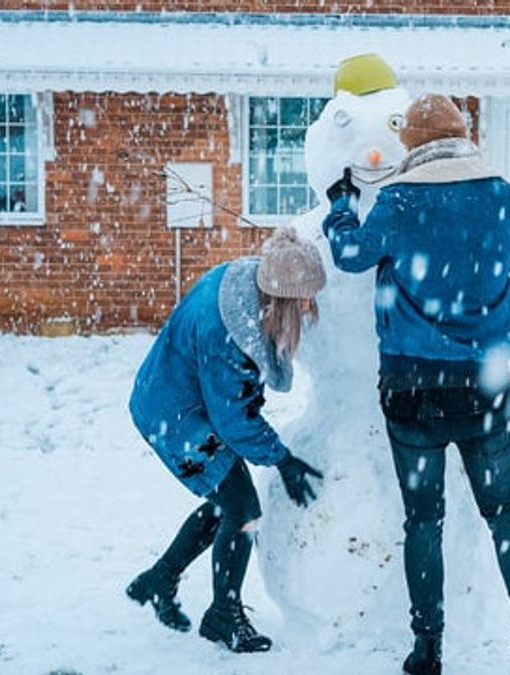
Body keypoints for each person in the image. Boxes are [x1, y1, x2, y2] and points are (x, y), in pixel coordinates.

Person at [322, 93, 510, 675]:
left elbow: (351, 255)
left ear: (419, 143)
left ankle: (427, 648)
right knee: (505, 514)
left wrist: (341, 208)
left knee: (424, 520)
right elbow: (495, 259)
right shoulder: (504, 197)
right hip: (486, 388)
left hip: (413, 390)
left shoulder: (400, 200)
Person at [125, 228, 326, 653]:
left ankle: (160, 579)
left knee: (229, 502)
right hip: (175, 414)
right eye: (304, 299)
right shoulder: (229, 334)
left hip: (177, 396)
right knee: (244, 508)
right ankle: (223, 617)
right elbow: (233, 420)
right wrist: (283, 460)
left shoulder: (249, 286)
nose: (310, 307)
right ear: (281, 298)